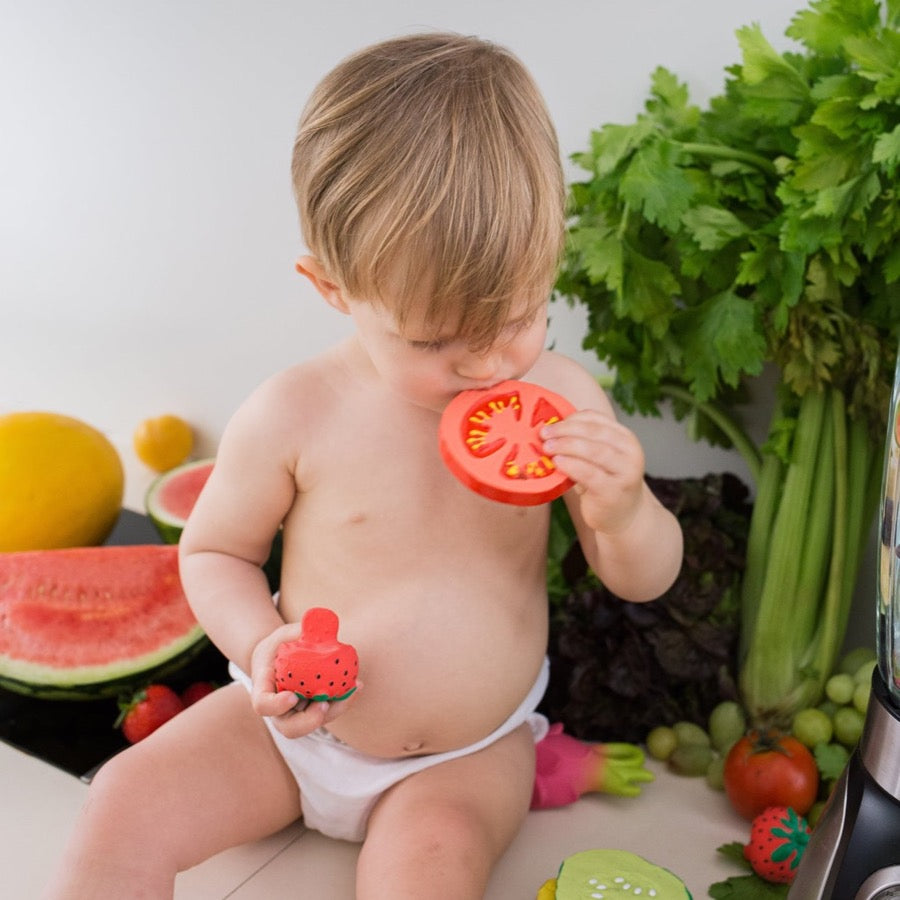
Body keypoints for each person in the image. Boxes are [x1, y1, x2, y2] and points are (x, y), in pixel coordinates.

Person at [44, 32, 683, 900]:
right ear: (333, 290)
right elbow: (215, 553)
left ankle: (522, 775)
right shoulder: (296, 411)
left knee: (428, 872)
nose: (490, 368)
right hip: (288, 736)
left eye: (519, 316)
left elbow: (642, 580)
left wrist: (626, 510)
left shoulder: (563, 399)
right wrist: (259, 643)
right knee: (122, 803)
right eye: (433, 340)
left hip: (462, 758)